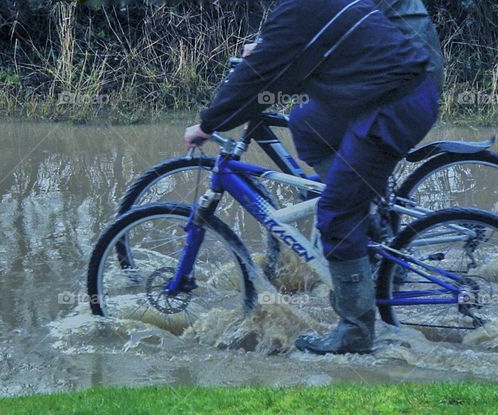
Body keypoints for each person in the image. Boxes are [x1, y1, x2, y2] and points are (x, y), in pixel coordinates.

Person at [184, 0, 443, 355]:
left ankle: (354, 331)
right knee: (305, 123)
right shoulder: (301, 6)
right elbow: (286, 54)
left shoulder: (297, 9)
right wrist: (265, 52)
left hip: (393, 106)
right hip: (379, 92)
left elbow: (257, 77)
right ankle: (367, 215)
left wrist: (207, 124)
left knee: (336, 214)